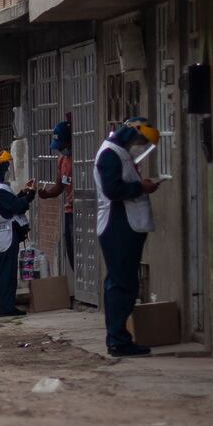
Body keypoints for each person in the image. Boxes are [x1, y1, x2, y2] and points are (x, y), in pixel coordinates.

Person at [94, 117, 161, 357]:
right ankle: (118, 339)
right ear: (132, 133)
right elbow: (113, 190)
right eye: (140, 141)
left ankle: (119, 337)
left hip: (125, 225)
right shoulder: (111, 154)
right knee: (121, 283)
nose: (140, 146)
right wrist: (140, 188)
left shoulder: (119, 153)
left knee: (125, 283)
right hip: (118, 225)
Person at [0, 151, 37, 317]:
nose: (7, 171)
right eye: (5, 167)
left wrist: (22, 194)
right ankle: (6, 307)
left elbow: (8, 204)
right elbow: (16, 207)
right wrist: (30, 196)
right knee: (7, 273)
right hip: (7, 233)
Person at [37, 121, 75, 272]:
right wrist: (46, 194)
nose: (60, 149)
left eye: (62, 145)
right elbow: (59, 186)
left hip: (81, 208)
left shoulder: (79, 158)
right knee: (71, 249)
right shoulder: (62, 160)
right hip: (70, 210)